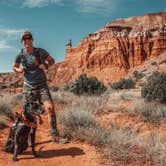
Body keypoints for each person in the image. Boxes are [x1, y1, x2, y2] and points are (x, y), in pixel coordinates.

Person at [13, 31, 59, 142]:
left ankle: (55, 135)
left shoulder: (40, 52)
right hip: (28, 87)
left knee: (50, 109)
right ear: (22, 42)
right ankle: (30, 138)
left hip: (42, 86)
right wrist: (19, 70)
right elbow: (14, 66)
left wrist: (46, 66)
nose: (26, 41)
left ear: (32, 40)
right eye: (24, 39)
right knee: (28, 114)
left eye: (28, 38)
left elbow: (52, 61)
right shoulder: (21, 54)